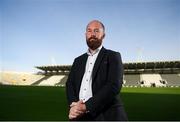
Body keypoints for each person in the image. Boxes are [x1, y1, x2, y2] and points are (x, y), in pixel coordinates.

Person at [66, 20, 128, 121]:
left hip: (106, 115)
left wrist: (86, 106)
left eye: (96, 31)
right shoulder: (78, 60)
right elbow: (70, 84)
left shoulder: (113, 56)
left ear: (103, 35)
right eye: (89, 31)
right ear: (85, 35)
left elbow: (114, 85)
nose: (92, 34)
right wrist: (74, 106)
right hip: (79, 116)